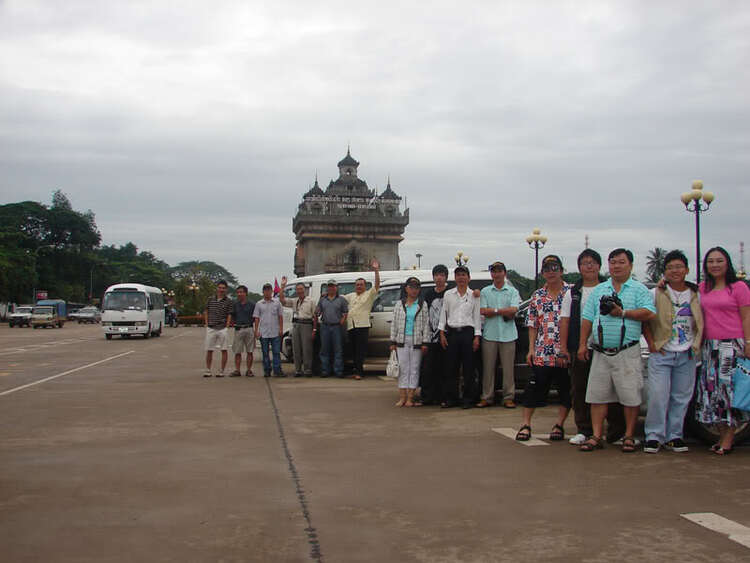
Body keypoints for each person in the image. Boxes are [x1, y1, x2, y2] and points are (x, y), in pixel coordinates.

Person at [578, 248, 656, 453]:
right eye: (612, 262)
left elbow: (649, 313)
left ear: (630, 265)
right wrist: (581, 344)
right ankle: (596, 435)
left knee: (630, 397)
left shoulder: (639, 290)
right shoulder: (599, 289)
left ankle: (628, 436)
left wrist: (623, 313)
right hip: (601, 351)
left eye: (621, 262)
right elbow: (587, 318)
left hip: (627, 351)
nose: (616, 266)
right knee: (597, 396)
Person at [559, 249, 626, 445]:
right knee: (580, 389)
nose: (589, 266)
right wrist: (564, 347)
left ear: (599, 265)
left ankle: (616, 432)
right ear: (579, 267)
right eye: (584, 263)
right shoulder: (572, 292)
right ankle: (584, 429)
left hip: (607, 347)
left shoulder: (609, 288)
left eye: (592, 262)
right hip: (580, 347)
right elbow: (565, 321)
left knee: (611, 391)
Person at [641, 250, 703, 453]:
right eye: (670, 268)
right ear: (664, 271)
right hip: (662, 352)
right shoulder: (655, 293)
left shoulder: (696, 294)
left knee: (681, 396)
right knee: (658, 395)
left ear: (687, 269)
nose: (675, 271)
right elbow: (645, 320)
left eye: (679, 267)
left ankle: (674, 435)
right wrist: (651, 344)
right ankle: (654, 435)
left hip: (687, 353)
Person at [694, 246, 750, 455]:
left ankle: (727, 439)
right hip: (710, 348)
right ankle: (721, 434)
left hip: (732, 347)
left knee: (729, 394)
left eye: (719, 261)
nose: (715, 265)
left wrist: (748, 342)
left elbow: (746, 316)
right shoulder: (703, 288)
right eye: (711, 261)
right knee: (712, 394)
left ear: (727, 263)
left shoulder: (738, 287)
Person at [516, 255, 571, 441]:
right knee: (533, 389)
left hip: (564, 352)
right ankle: (525, 424)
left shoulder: (571, 293)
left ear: (562, 270)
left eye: (555, 268)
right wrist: (531, 349)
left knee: (565, 390)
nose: (551, 272)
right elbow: (532, 324)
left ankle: (559, 425)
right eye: (547, 269)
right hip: (542, 351)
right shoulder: (538, 296)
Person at [438, 265, 481, 409]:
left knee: (469, 369)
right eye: (458, 275)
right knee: (451, 368)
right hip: (452, 333)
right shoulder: (448, 294)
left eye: (464, 275)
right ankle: (451, 398)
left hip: (468, 333)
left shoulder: (474, 295)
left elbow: (477, 318)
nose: (461, 278)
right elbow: (443, 315)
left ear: (468, 278)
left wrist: (477, 337)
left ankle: (468, 399)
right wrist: (442, 333)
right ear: (455, 278)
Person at [478, 261, 520, 408]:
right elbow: (483, 311)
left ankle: (508, 397)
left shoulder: (512, 291)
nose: (497, 274)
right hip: (490, 334)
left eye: (499, 271)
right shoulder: (485, 291)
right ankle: (487, 396)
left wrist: (494, 311)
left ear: (504, 273)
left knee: (509, 369)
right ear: (491, 274)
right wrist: (502, 311)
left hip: (508, 334)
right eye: (494, 271)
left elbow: (514, 309)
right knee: (488, 369)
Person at [390, 276, 430, 407]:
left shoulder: (422, 304)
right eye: (411, 287)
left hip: (417, 341)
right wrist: (393, 342)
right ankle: (402, 397)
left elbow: (426, 324)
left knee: (414, 369)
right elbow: (394, 324)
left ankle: (410, 398)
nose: (414, 290)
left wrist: (425, 342)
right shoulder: (399, 304)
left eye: (416, 288)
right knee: (403, 369)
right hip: (402, 340)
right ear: (406, 288)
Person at [344, 260, 381, 379]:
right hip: (351, 326)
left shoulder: (369, 294)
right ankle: (355, 371)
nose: (359, 286)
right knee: (353, 351)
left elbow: (376, 285)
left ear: (365, 286)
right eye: (357, 285)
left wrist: (376, 270)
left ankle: (359, 372)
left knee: (360, 351)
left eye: (361, 284)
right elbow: (339, 298)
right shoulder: (351, 295)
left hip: (362, 326)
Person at [420, 264, 450, 405]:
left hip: (447, 338)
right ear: (433, 277)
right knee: (428, 369)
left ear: (446, 277)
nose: (439, 277)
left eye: (442, 275)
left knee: (445, 368)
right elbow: (425, 316)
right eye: (436, 275)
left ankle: (443, 397)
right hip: (430, 338)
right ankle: (427, 397)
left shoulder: (450, 293)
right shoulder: (428, 295)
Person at [279, 277, 317, 377]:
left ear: (305, 290)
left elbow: (315, 316)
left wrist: (314, 329)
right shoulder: (294, 301)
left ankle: (308, 370)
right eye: (298, 289)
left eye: (301, 289)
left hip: (307, 324)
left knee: (307, 349)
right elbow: (282, 300)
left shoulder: (311, 301)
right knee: (296, 349)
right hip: (296, 325)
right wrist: (282, 286)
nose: (299, 291)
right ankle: (298, 370)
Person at [315, 280, 349, 378]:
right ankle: (325, 371)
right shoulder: (322, 299)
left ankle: (338, 371)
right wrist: (317, 312)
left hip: (337, 327)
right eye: (329, 286)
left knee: (338, 350)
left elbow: (346, 312)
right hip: (325, 326)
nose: (331, 288)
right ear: (327, 288)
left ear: (336, 288)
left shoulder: (341, 300)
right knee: (324, 350)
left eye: (333, 286)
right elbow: (317, 312)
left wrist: (342, 320)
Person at [203, 279, 233, 378]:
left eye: (223, 288)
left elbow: (229, 314)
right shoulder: (210, 299)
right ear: (217, 288)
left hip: (222, 328)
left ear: (226, 289)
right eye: (220, 288)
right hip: (211, 327)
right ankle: (208, 370)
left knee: (224, 349)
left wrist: (227, 326)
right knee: (209, 349)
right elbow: (206, 311)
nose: (221, 290)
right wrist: (207, 324)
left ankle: (222, 370)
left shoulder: (228, 301)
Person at [253, 283, 284, 377]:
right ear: (263, 292)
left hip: (275, 331)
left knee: (276, 352)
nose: (267, 292)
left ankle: (277, 370)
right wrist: (256, 331)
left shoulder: (277, 302)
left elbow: (280, 317)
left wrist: (281, 329)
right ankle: (267, 370)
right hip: (263, 332)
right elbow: (256, 318)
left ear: (272, 291)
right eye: (265, 290)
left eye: (269, 290)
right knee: (265, 353)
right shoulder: (259, 304)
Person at [229, 285, 256, 377]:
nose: (239, 294)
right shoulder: (235, 304)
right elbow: (232, 316)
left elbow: (255, 317)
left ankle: (249, 370)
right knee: (237, 351)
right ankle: (237, 370)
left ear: (246, 293)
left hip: (249, 328)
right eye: (238, 292)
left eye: (241, 292)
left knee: (250, 351)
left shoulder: (252, 304)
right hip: (238, 329)